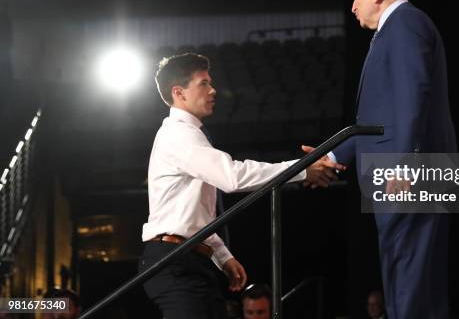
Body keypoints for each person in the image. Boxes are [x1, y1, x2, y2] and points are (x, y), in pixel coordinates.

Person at [139, 53, 343, 319]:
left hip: (188, 259)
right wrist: (302, 169)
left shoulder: (190, 136)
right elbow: (232, 177)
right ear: (179, 92)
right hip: (174, 261)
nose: (213, 90)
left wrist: (223, 256)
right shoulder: (178, 134)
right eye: (203, 83)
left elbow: (195, 215)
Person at [330, 0, 457, 319]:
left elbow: (413, 98)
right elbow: (379, 119)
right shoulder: (394, 30)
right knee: (406, 283)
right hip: (401, 177)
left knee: (411, 287)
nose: (352, 7)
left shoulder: (404, 24)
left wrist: (404, 166)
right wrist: (334, 156)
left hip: (407, 178)